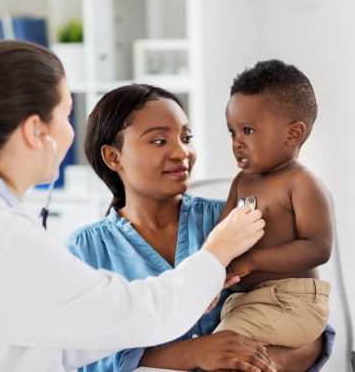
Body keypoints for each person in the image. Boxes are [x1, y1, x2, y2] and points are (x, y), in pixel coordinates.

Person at [0, 41, 267, 372]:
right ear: (36, 131)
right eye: (66, 116)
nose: (70, 132)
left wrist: (190, 294)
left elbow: (65, 340)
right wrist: (215, 254)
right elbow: (139, 312)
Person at [65, 83, 334, 372]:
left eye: (186, 137)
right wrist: (193, 354)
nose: (182, 152)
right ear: (113, 157)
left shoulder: (240, 221)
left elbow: (305, 319)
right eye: (159, 141)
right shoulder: (86, 250)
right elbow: (81, 358)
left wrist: (255, 363)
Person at [213, 59, 333, 349]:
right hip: (246, 302)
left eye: (248, 131)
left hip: (293, 302)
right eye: (232, 131)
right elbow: (221, 237)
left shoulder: (301, 183)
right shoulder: (242, 182)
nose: (237, 141)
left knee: (220, 347)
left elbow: (318, 248)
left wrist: (253, 261)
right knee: (221, 347)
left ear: (293, 134)